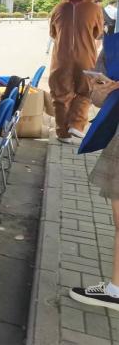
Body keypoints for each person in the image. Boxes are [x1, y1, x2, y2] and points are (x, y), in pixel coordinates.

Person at [70, 31, 119, 310]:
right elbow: (97, 99)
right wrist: (102, 88)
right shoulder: (113, 46)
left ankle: (115, 290)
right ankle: (115, 288)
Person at [47, 0, 104, 143]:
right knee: (86, 90)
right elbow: (98, 33)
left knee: (60, 94)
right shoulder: (95, 9)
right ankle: (76, 124)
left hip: (61, 57)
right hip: (86, 56)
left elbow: (52, 33)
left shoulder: (58, 8)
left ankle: (62, 133)